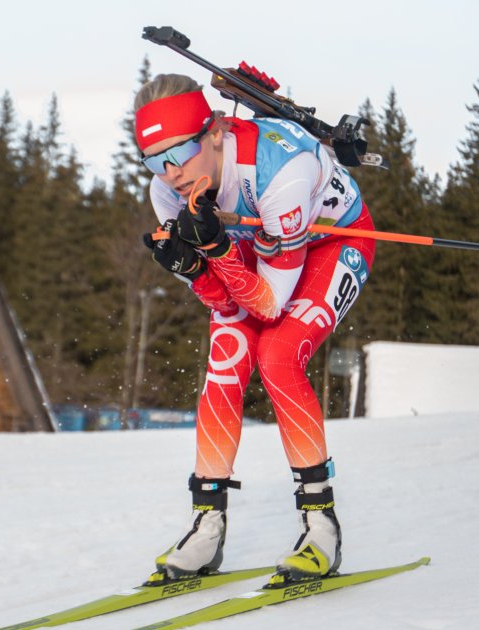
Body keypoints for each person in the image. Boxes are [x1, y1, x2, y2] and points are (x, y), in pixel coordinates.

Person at [136, 74, 377, 584]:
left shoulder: (279, 173)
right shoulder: (168, 195)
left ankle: (322, 529)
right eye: (156, 161)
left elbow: (268, 305)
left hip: (333, 243)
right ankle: (206, 526)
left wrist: (218, 251)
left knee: (278, 355)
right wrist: (196, 270)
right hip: (257, 250)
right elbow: (226, 304)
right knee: (225, 361)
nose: (173, 174)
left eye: (180, 151)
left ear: (217, 130)